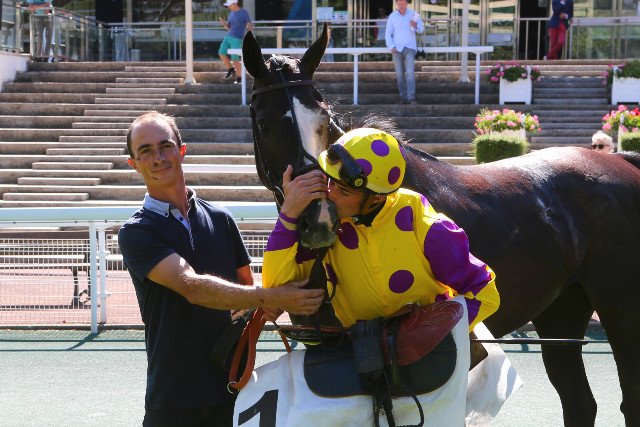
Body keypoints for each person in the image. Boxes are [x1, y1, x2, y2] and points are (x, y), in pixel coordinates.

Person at [118, 111, 324, 426]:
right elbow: (190, 286)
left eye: (165, 145)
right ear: (134, 164)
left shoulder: (221, 219)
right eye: (145, 151)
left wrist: (293, 209)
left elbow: (251, 299)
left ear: (181, 150)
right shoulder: (137, 231)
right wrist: (272, 297)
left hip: (234, 390)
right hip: (173, 396)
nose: (157, 157)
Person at [262, 127, 500, 332]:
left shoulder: (425, 225)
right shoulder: (326, 220)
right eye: (330, 181)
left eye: (343, 191)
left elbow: (485, 293)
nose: (330, 194)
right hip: (361, 348)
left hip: (426, 353)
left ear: (376, 198)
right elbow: (276, 285)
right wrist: (289, 213)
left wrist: (432, 335)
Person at [385, 0, 424, 105]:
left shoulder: (413, 14)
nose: (401, 6)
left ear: (407, 3)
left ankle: (411, 98)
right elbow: (388, 34)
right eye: (399, 4)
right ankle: (403, 98)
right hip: (396, 49)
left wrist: (416, 25)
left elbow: (421, 29)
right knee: (399, 75)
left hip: (410, 48)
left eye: (403, 3)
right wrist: (391, 46)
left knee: (410, 73)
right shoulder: (392, 16)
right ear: (397, 4)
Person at [218, 0, 252, 85]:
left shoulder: (243, 12)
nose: (228, 7)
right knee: (221, 53)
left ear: (235, 3)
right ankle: (231, 69)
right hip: (228, 37)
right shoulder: (230, 14)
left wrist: (250, 36)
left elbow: (249, 23)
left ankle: (240, 78)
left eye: (229, 5)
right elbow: (229, 28)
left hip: (237, 39)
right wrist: (224, 24)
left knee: (235, 58)